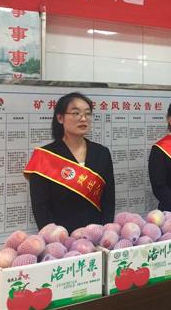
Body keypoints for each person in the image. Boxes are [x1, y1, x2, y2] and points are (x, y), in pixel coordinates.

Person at [25, 92, 115, 233]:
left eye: (87, 113)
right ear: (60, 118)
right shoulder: (44, 157)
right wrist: (56, 238)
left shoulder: (102, 153)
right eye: (76, 113)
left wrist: (105, 233)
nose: (83, 118)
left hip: (97, 236)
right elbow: (41, 208)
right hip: (62, 239)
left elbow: (109, 200)